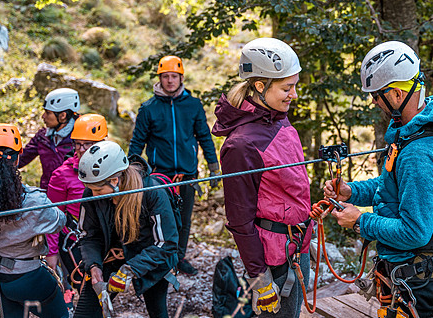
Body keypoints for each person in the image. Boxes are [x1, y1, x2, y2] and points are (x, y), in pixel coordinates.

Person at [325, 41, 433, 318]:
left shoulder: (419, 153)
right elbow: (392, 188)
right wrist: (350, 191)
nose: (373, 102)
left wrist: (360, 221)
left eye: (376, 95)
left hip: (416, 280)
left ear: (397, 94)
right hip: (406, 274)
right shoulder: (410, 134)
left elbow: (414, 232)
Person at [212, 37, 312, 318]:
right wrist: (260, 278)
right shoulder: (241, 145)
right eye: (286, 88)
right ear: (259, 86)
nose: (294, 95)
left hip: (296, 247)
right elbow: (239, 219)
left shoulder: (277, 117)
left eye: (294, 86)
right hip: (273, 262)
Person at [127, 55, 219, 276]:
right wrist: (131, 169)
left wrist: (214, 165)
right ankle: (160, 258)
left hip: (187, 174)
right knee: (159, 218)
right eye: (166, 76)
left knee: (184, 220)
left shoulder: (193, 105)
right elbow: (138, 141)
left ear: (181, 77)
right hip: (160, 174)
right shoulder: (148, 108)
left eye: (174, 76)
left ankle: (179, 258)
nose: (170, 81)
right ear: (160, 78)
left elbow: (204, 136)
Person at [74, 140, 179, 318]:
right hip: (111, 256)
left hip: (151, 260)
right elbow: (89, 235)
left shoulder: (153, 193)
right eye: (90, 189)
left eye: (98, 190)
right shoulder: (92, 193)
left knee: (157, 312)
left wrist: (130, 269)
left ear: (115, 180)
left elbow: (166, 242)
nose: (93, 195)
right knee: (84, 314)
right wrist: (93, 266)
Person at [0, 123, 68, 318]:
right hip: (26, 277)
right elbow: (59, 221)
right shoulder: (34, 201)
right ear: (18, 156)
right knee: (60, 314)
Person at [46, 114, 109, 290]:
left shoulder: (113, 170)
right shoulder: (62, 175)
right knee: (89, 291)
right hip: (77, 242)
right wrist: (51, 253)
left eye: (87, 144)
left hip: (107, 241)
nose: (81, 149)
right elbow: (53, 215)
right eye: (78, 143)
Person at [19, 88, 80, 189]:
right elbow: (21, 158)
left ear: (63, 116)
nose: (43, 116)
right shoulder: (42, 137)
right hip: (47, 192)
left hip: (71, 195)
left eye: (47, 112)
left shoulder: (81, 139)